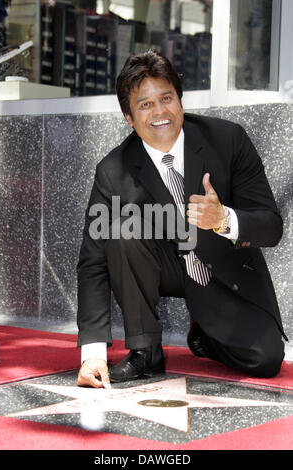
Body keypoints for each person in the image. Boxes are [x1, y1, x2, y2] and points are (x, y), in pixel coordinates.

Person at [76, 50, 287, 389]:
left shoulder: (229, 140)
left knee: (265, 359)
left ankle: (205, 334)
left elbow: (270, 226)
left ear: (180, 101)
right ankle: (145, 349)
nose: (159, 112)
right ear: (129, 117)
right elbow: (93, 263)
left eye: (166, 98)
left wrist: (223, 218)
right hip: (160, 263)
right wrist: (93, 353)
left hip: (220, 267)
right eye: (145, 105)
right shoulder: (112, 171)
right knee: (119, 231)